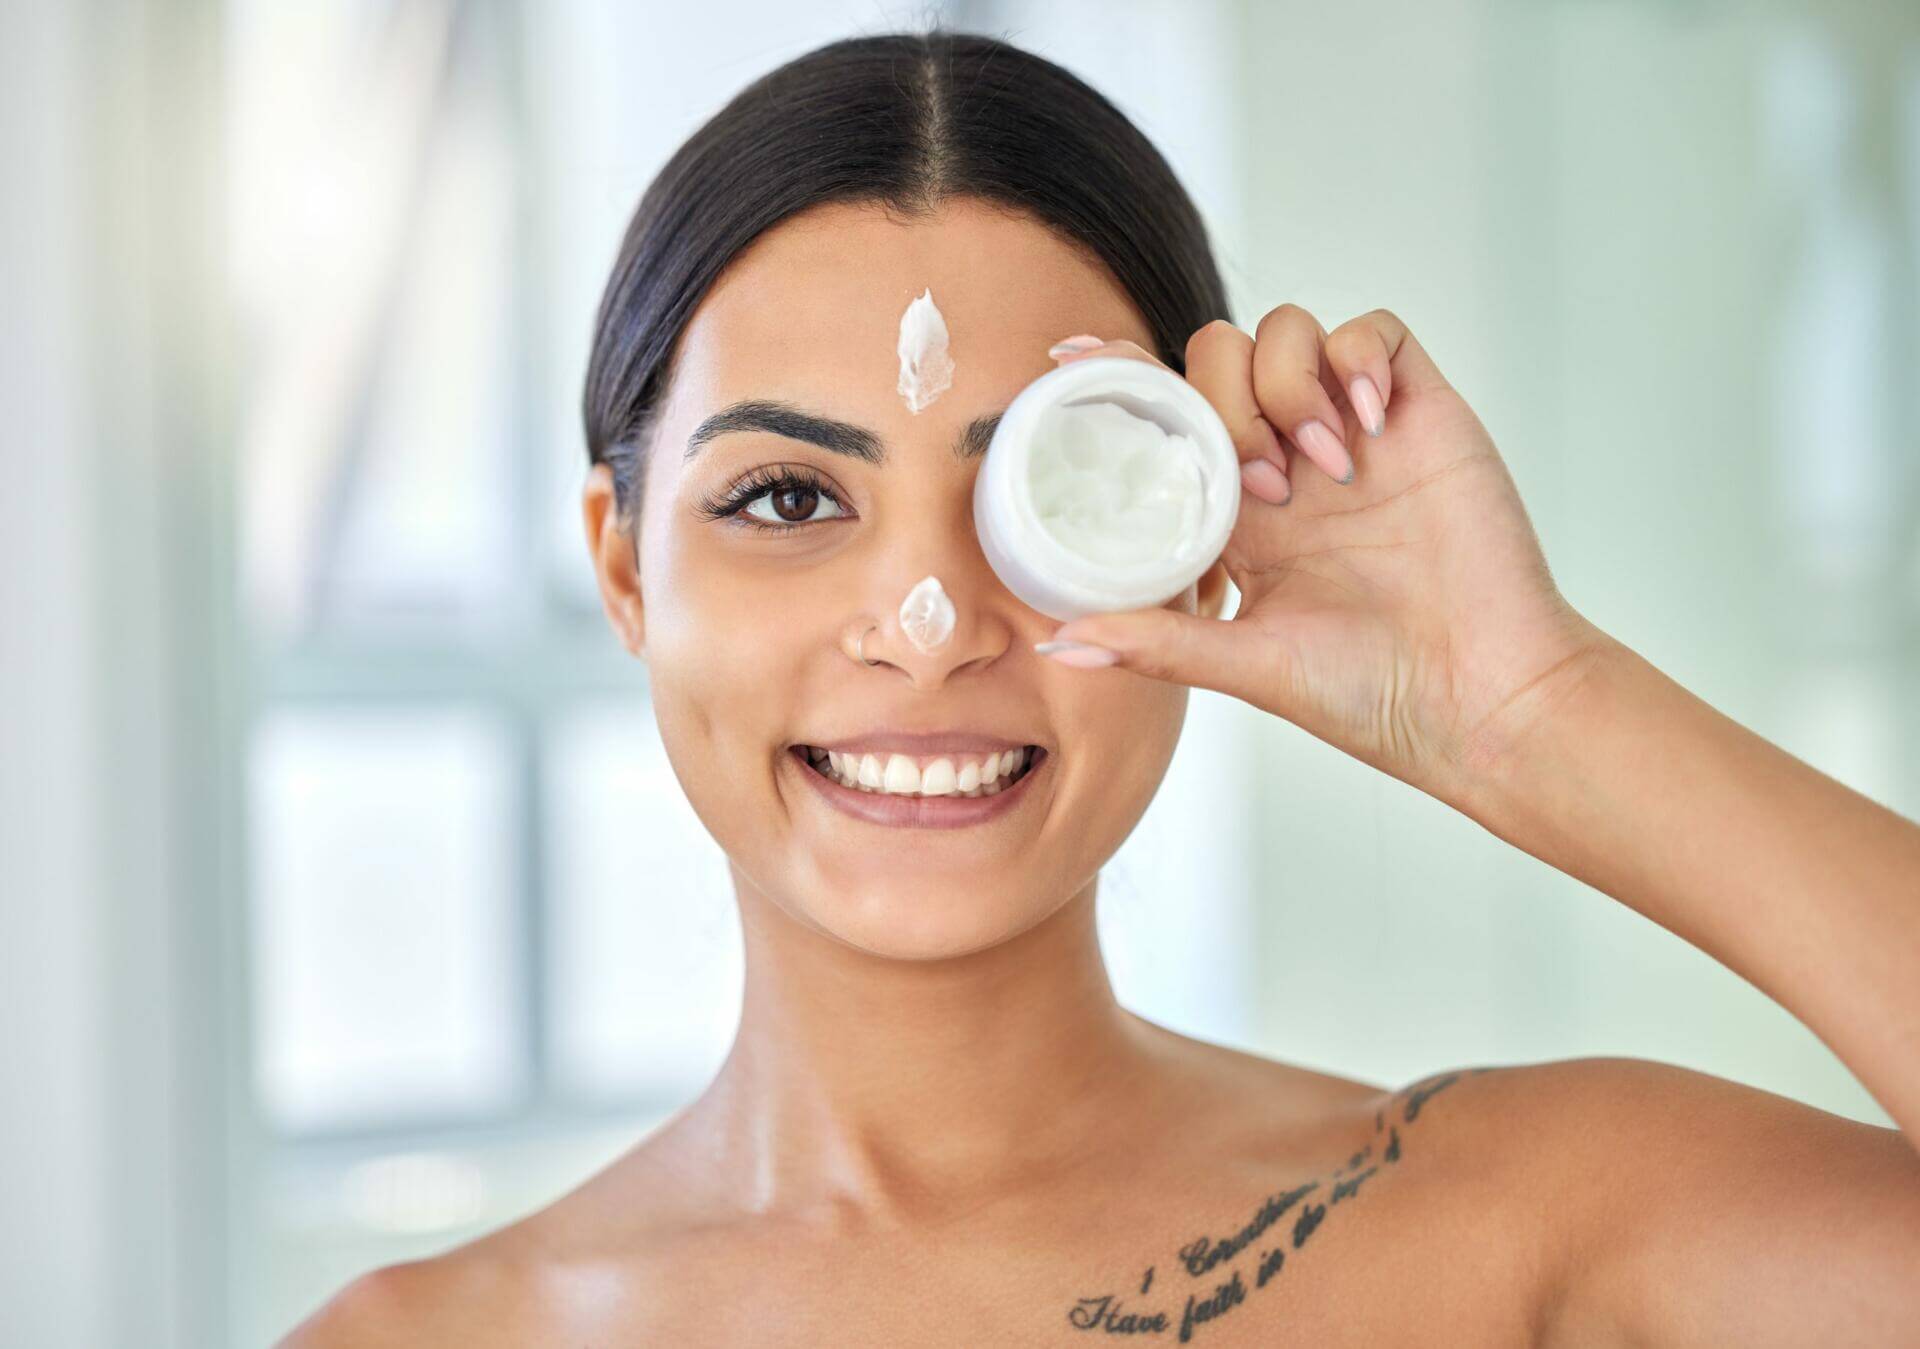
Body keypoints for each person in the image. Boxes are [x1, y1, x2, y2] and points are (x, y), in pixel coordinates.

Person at [285, 27, 1920, 1346]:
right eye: (788, 497)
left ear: (1199, 529)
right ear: (627, 566)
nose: (927, 625)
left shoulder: (1527, 1229)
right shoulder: (420, 1336)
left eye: (1038, 498)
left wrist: (1532, 703)